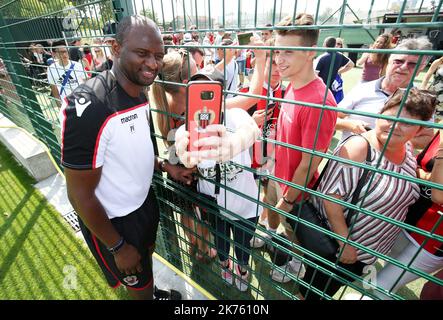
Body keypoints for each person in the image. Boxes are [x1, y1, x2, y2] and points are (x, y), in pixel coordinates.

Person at [60, 15, 193, 300]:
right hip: (116, 223)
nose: (153, 63)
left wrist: (164, 165)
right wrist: (118, 246)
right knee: (137, 284)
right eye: (142, 53)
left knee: (144, 264)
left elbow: (132, 149)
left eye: (158, 55)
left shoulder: (139, 92)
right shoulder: (90, 105)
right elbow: (78, 195)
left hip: (144, 204)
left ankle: (151, 291)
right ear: (115, 48)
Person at [301, 88, 437, 300]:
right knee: (315, 293)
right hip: (340, 250)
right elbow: (331, 198)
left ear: (420, 130)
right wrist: (345, 243)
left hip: (367, 251)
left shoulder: (407, 148)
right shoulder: (360, 148)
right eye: (391, 117)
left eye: (407, 123)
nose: (395, 127)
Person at [264, 14, 338, 283]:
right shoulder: (292, 85)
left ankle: (296, 262)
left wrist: (289, 200)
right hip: (277, 175)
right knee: (272, 212)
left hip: (297, 192)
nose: (279, 59)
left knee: (295, 233)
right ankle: (272, 237)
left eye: (289, 52)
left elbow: (310, 163)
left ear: (310, 53)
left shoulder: (320, 101)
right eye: (278, 50)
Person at [174, 66, 261, 292]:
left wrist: (234, 144)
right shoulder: (189, 125)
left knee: (243, 247)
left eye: (209, 89)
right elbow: (186, 157)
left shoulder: (235, 115)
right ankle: (225, 264)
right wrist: (184, 151)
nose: (203, 97)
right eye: (197, 89)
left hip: (245, 204)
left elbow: (251, 129)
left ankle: (242, 268)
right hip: (213, 206)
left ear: (221, 94)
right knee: (221, 244)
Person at [374, 124, 443, 300]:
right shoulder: (440, 131)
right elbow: (418, 165)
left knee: (380, 284)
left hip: (433, 239)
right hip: (408, 218)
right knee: (388, 280)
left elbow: (439, 194)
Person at [336, 37, 433, 145]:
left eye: (412, 64)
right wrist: (349, 125)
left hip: (389, 161)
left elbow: (427, 138)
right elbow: (332, 118)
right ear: (388, 62)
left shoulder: (422, 101)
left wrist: (392, 141)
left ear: (421, 68)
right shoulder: (362, 89)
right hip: (348, 158)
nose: (404, 67)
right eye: (398, 61)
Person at [47, 39, 87, 105]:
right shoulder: (51, 69)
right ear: (54, 53)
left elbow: (86, 81)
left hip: (81, 99)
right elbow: (53, 87)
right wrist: (58, 101)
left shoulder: (77, 65)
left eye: (66, 51)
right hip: (65, 102)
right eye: (61, 52)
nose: (65, 54)